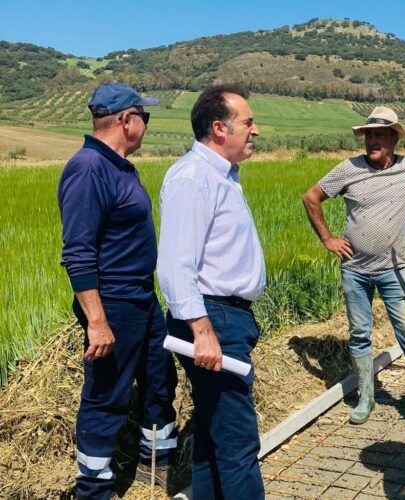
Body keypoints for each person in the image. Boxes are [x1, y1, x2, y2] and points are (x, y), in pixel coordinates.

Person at [57, 81, 177, 499]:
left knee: (160, 381)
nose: (148, 125)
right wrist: (97, 321)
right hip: (114, 303)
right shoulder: (88, 167)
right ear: (126, 119)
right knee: (107, 396)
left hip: (141, 298)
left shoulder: (120, 166)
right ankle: (94, 489)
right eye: (145, 117)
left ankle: (156, 463)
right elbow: (78, 252)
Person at [302, 106, 405, 427]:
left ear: (394, 139)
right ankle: (366, 397)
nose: (372, 140)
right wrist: (327, 238)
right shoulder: (348, 169)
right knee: (359, 334)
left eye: (379, 134)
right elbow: (310, 198)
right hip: (354, 270)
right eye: (368, 134)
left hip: (394, 270)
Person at [156, 84, 265, 499]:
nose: (255, 130)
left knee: (215, 433)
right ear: (219, 128)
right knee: (238, 440)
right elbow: (175, 265)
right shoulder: (193, 177)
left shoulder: (222, 175)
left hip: (225, 316)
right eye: (248, 122)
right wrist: (202, 330)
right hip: (212, 318)